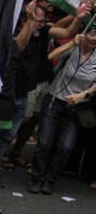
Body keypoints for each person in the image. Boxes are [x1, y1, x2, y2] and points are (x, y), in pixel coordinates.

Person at [27, 26, 96, 194]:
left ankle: (50, 179)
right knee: (44, 142)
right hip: (54, 101)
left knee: (66, 146)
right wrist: (72, 43)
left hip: (76, 107)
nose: (94, 39)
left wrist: (84, 94)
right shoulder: (73, 48)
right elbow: (51, 56)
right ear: (85, 33)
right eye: (92, 34)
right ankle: (36, 177)